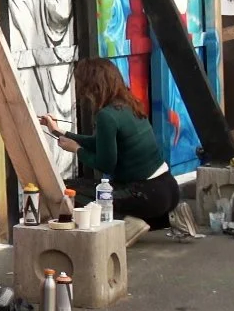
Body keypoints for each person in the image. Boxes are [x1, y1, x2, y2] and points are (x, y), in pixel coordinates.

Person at [38, 58, 180, 240]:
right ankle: (165, 218)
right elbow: (99, 143)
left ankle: (130, 222)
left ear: (93, 86)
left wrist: (77, 151)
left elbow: (106, 164)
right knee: (84, 188)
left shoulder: (107, 116)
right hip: (167, 189)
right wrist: (59, 131)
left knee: (64, 190)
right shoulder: (128, 104)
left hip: (145, 195)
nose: (81, 92)